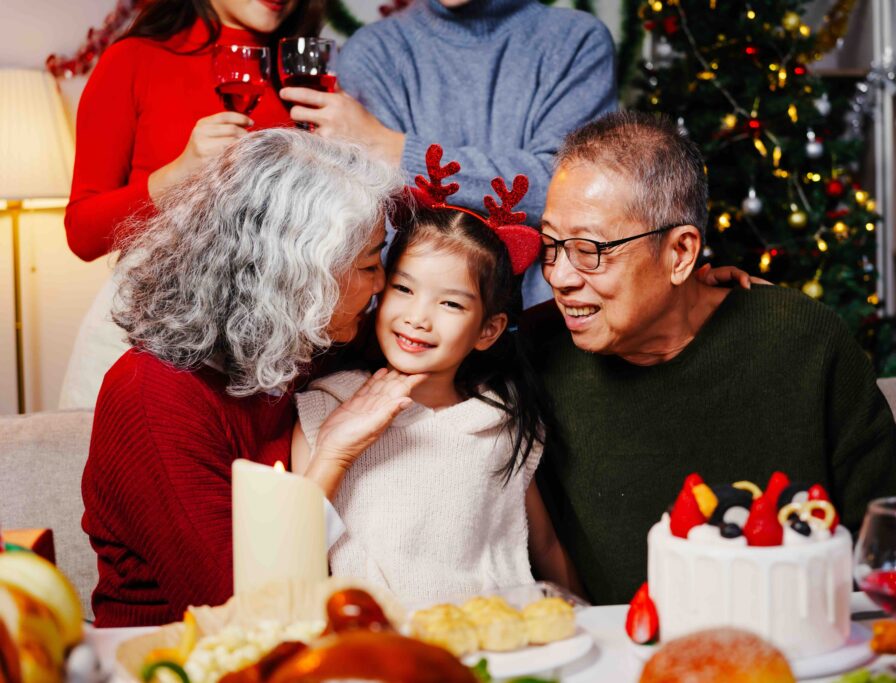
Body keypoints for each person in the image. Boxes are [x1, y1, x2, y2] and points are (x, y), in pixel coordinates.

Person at [530, 112, 896, 605]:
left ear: (680, 254)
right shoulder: (533, 359)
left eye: (590, 250)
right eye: (550, 246)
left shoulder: (801, 339)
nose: (560, 276)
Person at [82, 129, 410, 627]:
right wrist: (332, 456)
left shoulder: (305, 344)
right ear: (300, 278)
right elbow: (243, 608)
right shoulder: (153, 397)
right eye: (368, 264)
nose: (381, 284)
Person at [291, 153, 577, 603]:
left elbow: (542, 545)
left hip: (494, 636)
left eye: (450, 304)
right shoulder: (329, 403)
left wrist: (590, 622)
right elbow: (291, 554)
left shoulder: (499, 418)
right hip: (380, 645)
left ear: (488, 330)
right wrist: (336, 452)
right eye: (404, 289)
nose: (418, 318)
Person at [59, 0, 324, 410]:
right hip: (147, 340)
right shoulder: (135, 60)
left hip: (270, 353)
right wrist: (177, 174)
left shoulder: (304, 76)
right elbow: (81, 233)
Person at [279, 0, 617, 309]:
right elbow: (381, 224)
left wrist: (398, 151)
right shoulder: (372, 52)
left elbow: (564, 192)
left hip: (538, 327)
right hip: (412, 330)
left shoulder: (576, 41)